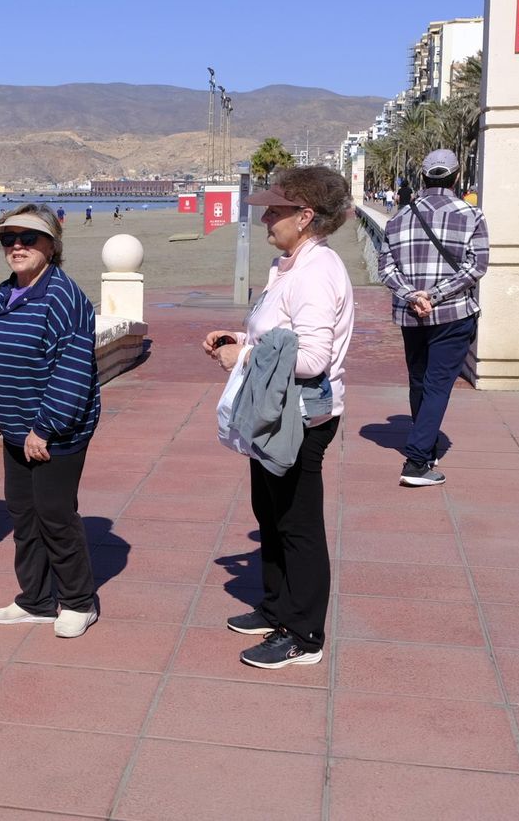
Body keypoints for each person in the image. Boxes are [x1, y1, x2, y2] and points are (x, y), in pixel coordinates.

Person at [203, 166, 354, 669]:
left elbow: (310, 359)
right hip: (274, 411)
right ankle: (275, 607)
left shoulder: (315, 273)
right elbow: (280, 337)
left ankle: (303, 634)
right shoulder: (289, 266)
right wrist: (239, 339)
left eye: (274, 211)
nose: (265, 218)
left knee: (297, 524)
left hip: (301, 418)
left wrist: (242, 358)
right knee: (269, 514)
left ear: (305, 217)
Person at [0, 204, 103, 638]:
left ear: (51, 246)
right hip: (15, 427)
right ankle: (36, 600)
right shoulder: (2, 294)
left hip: (58, 431)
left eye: (28, 238)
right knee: (23, 514)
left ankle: (79, 601)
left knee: (55, 514)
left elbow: (73, 370)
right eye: (9, 239)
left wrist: (43, 428)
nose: (17, 246)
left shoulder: (65, 297)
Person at [380, 149, 489, 487]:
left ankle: (424, 447)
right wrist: (437, 295)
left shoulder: (398, 218)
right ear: (456, 177)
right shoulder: (472, 215)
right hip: (453, 313)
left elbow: (386, 269)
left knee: (419, 381)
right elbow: (477, 266)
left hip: (412, 316)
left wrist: (415, 296)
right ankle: (416, 462)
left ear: (423, 177)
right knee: (438, 385)